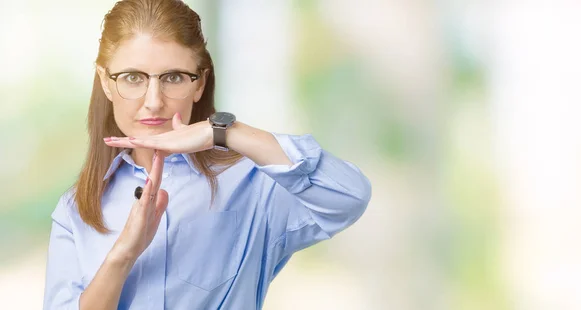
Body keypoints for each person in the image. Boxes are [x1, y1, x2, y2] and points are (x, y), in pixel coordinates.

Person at [42, 0, 371, 309]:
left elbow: (348, 196)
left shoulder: (255, 184)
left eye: (173, 78)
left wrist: (227, 132)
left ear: (200, 84)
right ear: (105, 81)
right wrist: (124, 253)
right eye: (132, 77)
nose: (154, 101)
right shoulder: (76, 211)